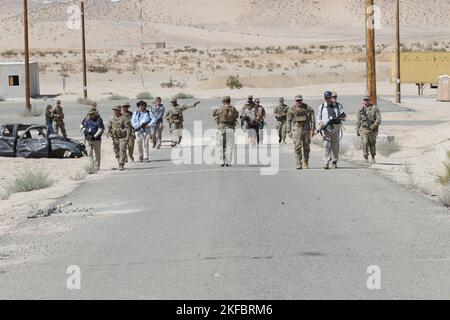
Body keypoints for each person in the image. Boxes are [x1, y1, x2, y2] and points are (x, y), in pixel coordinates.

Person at [316, 91, 346, 169]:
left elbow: (343, 116)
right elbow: (318, 118)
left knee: (335, 146)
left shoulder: (338, 106)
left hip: (336, 129)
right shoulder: (322, 106)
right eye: (326, 98)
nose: (327, 99)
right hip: (326, 130)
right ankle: (326, 162)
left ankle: (334, 161)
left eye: (329, 98)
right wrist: (320, 123)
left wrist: (339, 121)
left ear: (331, 97)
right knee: (326, 146)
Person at [287, 95, 316, 170]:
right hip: (296, 129)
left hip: (306, 129)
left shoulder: (308, 108)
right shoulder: (292, 109)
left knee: (306, 146)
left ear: (302, 100)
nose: (299, 102)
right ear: (295, 101)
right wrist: (288, 131)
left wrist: (313, 129)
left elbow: (312, 120)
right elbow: (288, 120)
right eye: (297, 100)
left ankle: (306, 162)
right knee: (297, 146)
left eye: (300, 100)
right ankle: (298, 163)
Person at [213, 96, 239, 167]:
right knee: (229, 146)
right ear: (229, 101)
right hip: (230, 129)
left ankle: (221, 161)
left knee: (220, 145)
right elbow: (237, 115)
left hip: (222, 129)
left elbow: (214, 115)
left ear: (223, 101)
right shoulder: (233, 109)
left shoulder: (220, 108)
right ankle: (228, 162)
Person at [356, 96, 382, 163]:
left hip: (372, 129)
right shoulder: (360, 111)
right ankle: (365, 157)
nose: (365, 102)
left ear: (369, 101)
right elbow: (358, 121)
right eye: (364, 100)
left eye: (367, 100)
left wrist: (374, 126)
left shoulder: (374, 108)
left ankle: (373, 157)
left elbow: (378, 118)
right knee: (365, 142)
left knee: (372, 143)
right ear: (362, 101)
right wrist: (357, 129)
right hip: (364, 129)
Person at [107, 106, 132, 171]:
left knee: (122, 150)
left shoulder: (124, 118)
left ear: (119, 110)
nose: (114, 111)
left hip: (122, 137)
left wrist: (127, 137)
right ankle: (119, 161)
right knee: (116, 151)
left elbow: (129, 128)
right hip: (115, 138)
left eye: (116, 110)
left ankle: (121, 164)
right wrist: (108, 132)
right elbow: (109, 126)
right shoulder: (112, 118)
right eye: (114, 110)